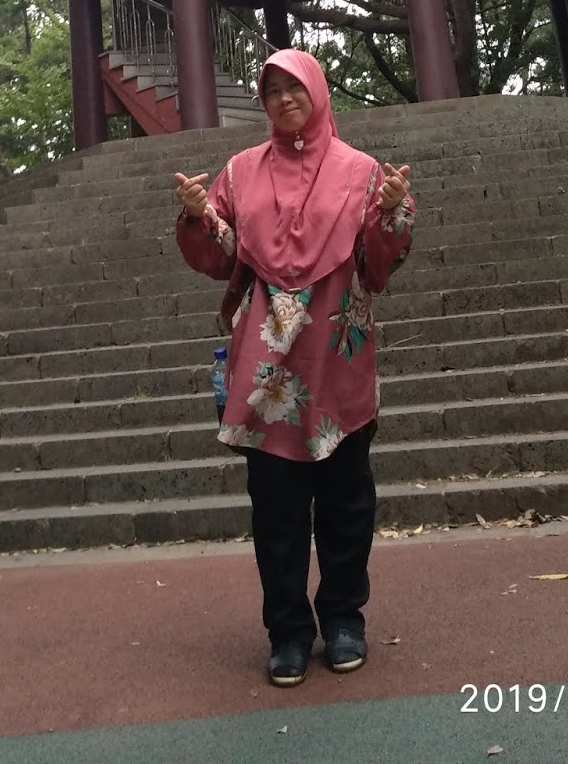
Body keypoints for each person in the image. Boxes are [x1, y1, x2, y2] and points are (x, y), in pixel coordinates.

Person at [173, 48, 414, 688]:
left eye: (294, 86)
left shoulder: (362, 170)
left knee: (346, 501)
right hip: (267, 372)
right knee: (275, 509)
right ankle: (287, 631)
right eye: (272, 90)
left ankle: (343, 619)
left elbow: (377, 266)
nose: (284, 99)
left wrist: (391, 212)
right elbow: (222, 254)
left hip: (338, 361)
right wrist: (199, 216)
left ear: (317, 90)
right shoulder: (239, 172)